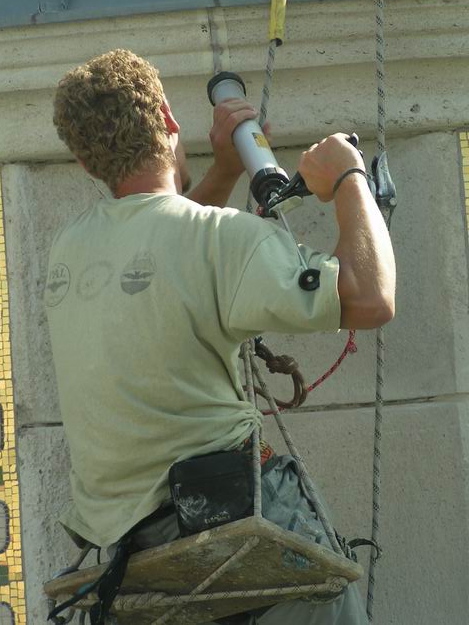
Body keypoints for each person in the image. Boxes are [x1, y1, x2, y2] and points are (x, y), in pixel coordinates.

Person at [45, 49, 395, 624]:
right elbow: (371, 298)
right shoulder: (219, 238)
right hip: (236, 533)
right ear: (168, 117)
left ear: (86, 164)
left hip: (140, 564)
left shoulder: (71, 250)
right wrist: (349, 176)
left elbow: (162, 250)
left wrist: (227, 171)